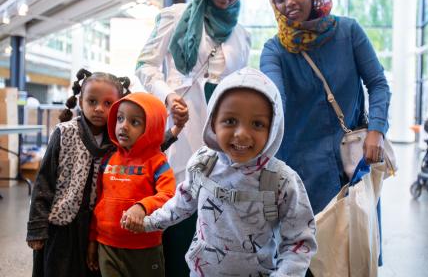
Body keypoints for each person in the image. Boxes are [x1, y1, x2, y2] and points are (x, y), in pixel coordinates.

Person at [125, 67, 317, 276]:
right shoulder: (203, 163)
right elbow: (182, 203)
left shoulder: (282, 181)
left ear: (273, 127)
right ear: (213, 123)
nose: (242, 134)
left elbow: (299, 242)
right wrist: (149, 223)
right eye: (230, 121)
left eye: (257, 124)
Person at [135, 0, 250, 274]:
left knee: (215, 213)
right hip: (180, 125)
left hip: (222, 135)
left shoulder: (242, 34)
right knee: (177, 207)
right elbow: (144, 65)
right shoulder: (175, 15)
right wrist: (168, 95)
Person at [260, 0, 391, 215]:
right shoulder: (274, 50)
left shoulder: (348, 31)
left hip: (354, 159)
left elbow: (378, 83)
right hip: (302, 166)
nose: (289, 2)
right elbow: (273, 98)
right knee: (311, 247)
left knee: (359, 241)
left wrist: (377, 130)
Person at [26, 69, 130, 277]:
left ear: (119, 105)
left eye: (108, 103)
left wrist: (172, 134)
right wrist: (37, 228)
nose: (99, 109)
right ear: (81, 101)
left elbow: (150, 148)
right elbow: (44, 181)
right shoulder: (64, 133)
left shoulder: (120, 140)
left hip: (97, 230)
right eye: (92, 101)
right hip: (62, 227)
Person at [86, 92, 176, 277]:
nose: (123, 126)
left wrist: (142, 207)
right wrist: (93, 240)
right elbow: (99, 202)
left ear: (152, 127)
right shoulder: (108, 160)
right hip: (107, 246)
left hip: (144, 248)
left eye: (134, 122)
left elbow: (169, 196)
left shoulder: (157, 162)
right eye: (120, 118)